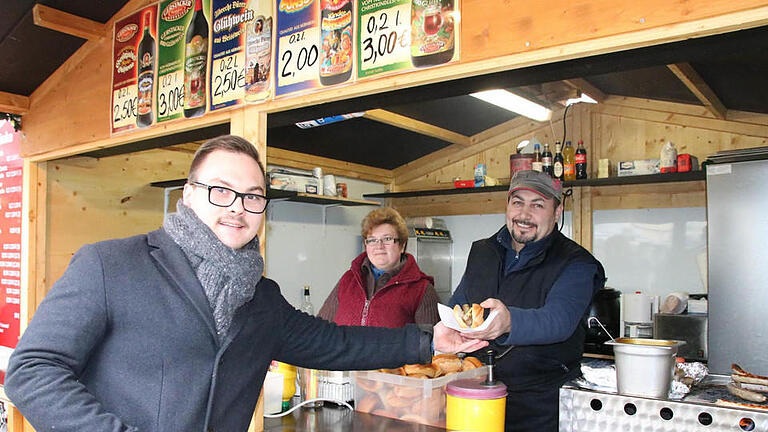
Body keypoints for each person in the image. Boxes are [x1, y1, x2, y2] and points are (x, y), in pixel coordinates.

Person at [5, 135, 486, 432]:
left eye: (253, 197)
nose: (237, 207)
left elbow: (337, 342)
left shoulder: (260, 298)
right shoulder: (110, 264)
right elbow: (33, 371)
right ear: (190, 196)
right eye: (222, 191)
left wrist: (430, 341)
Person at [450, 169, 605, 432]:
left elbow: (559, 320)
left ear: (557, 212)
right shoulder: (483, 251)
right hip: (475, 396)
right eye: (517, 202)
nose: (524, 214)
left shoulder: (577, 262)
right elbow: (460, 305)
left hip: (540, 405)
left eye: (538, 205)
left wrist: (509, 322)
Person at [318, 207, 439, 327]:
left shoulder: (422, 290)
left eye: (387, 239)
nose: (379, 246)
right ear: (366, 245)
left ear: (402, 245)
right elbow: (321, 328)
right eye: (372, 240)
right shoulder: (348, 280)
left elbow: (430, 343)